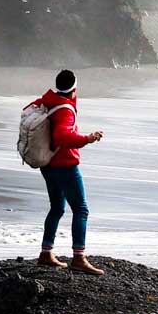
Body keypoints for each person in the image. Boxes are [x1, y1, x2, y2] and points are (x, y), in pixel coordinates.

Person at [31, 69, 105, 274]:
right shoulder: (65, 109)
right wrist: (87, 138)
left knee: (56, 208)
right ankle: (79, 258)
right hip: (65, 165)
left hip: (47, 164)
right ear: (74, 88)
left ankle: (46, 253)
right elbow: (63, 137)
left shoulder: (47, 101)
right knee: (81, 209)